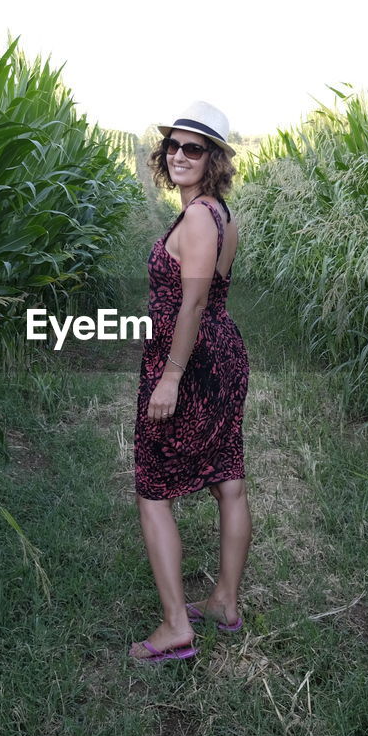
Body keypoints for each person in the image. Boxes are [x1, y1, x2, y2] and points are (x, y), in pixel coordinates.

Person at [129, 101, 251, 663]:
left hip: (194, 361)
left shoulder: (199, 217)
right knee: (227, 477)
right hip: (223, 353)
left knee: (153, 491)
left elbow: (196, 299)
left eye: (193, 148)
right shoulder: (221, 213)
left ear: (214, 159)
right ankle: (224, 602)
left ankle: (176, 625)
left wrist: (171, 376)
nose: (179, 155)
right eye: (173, 145)